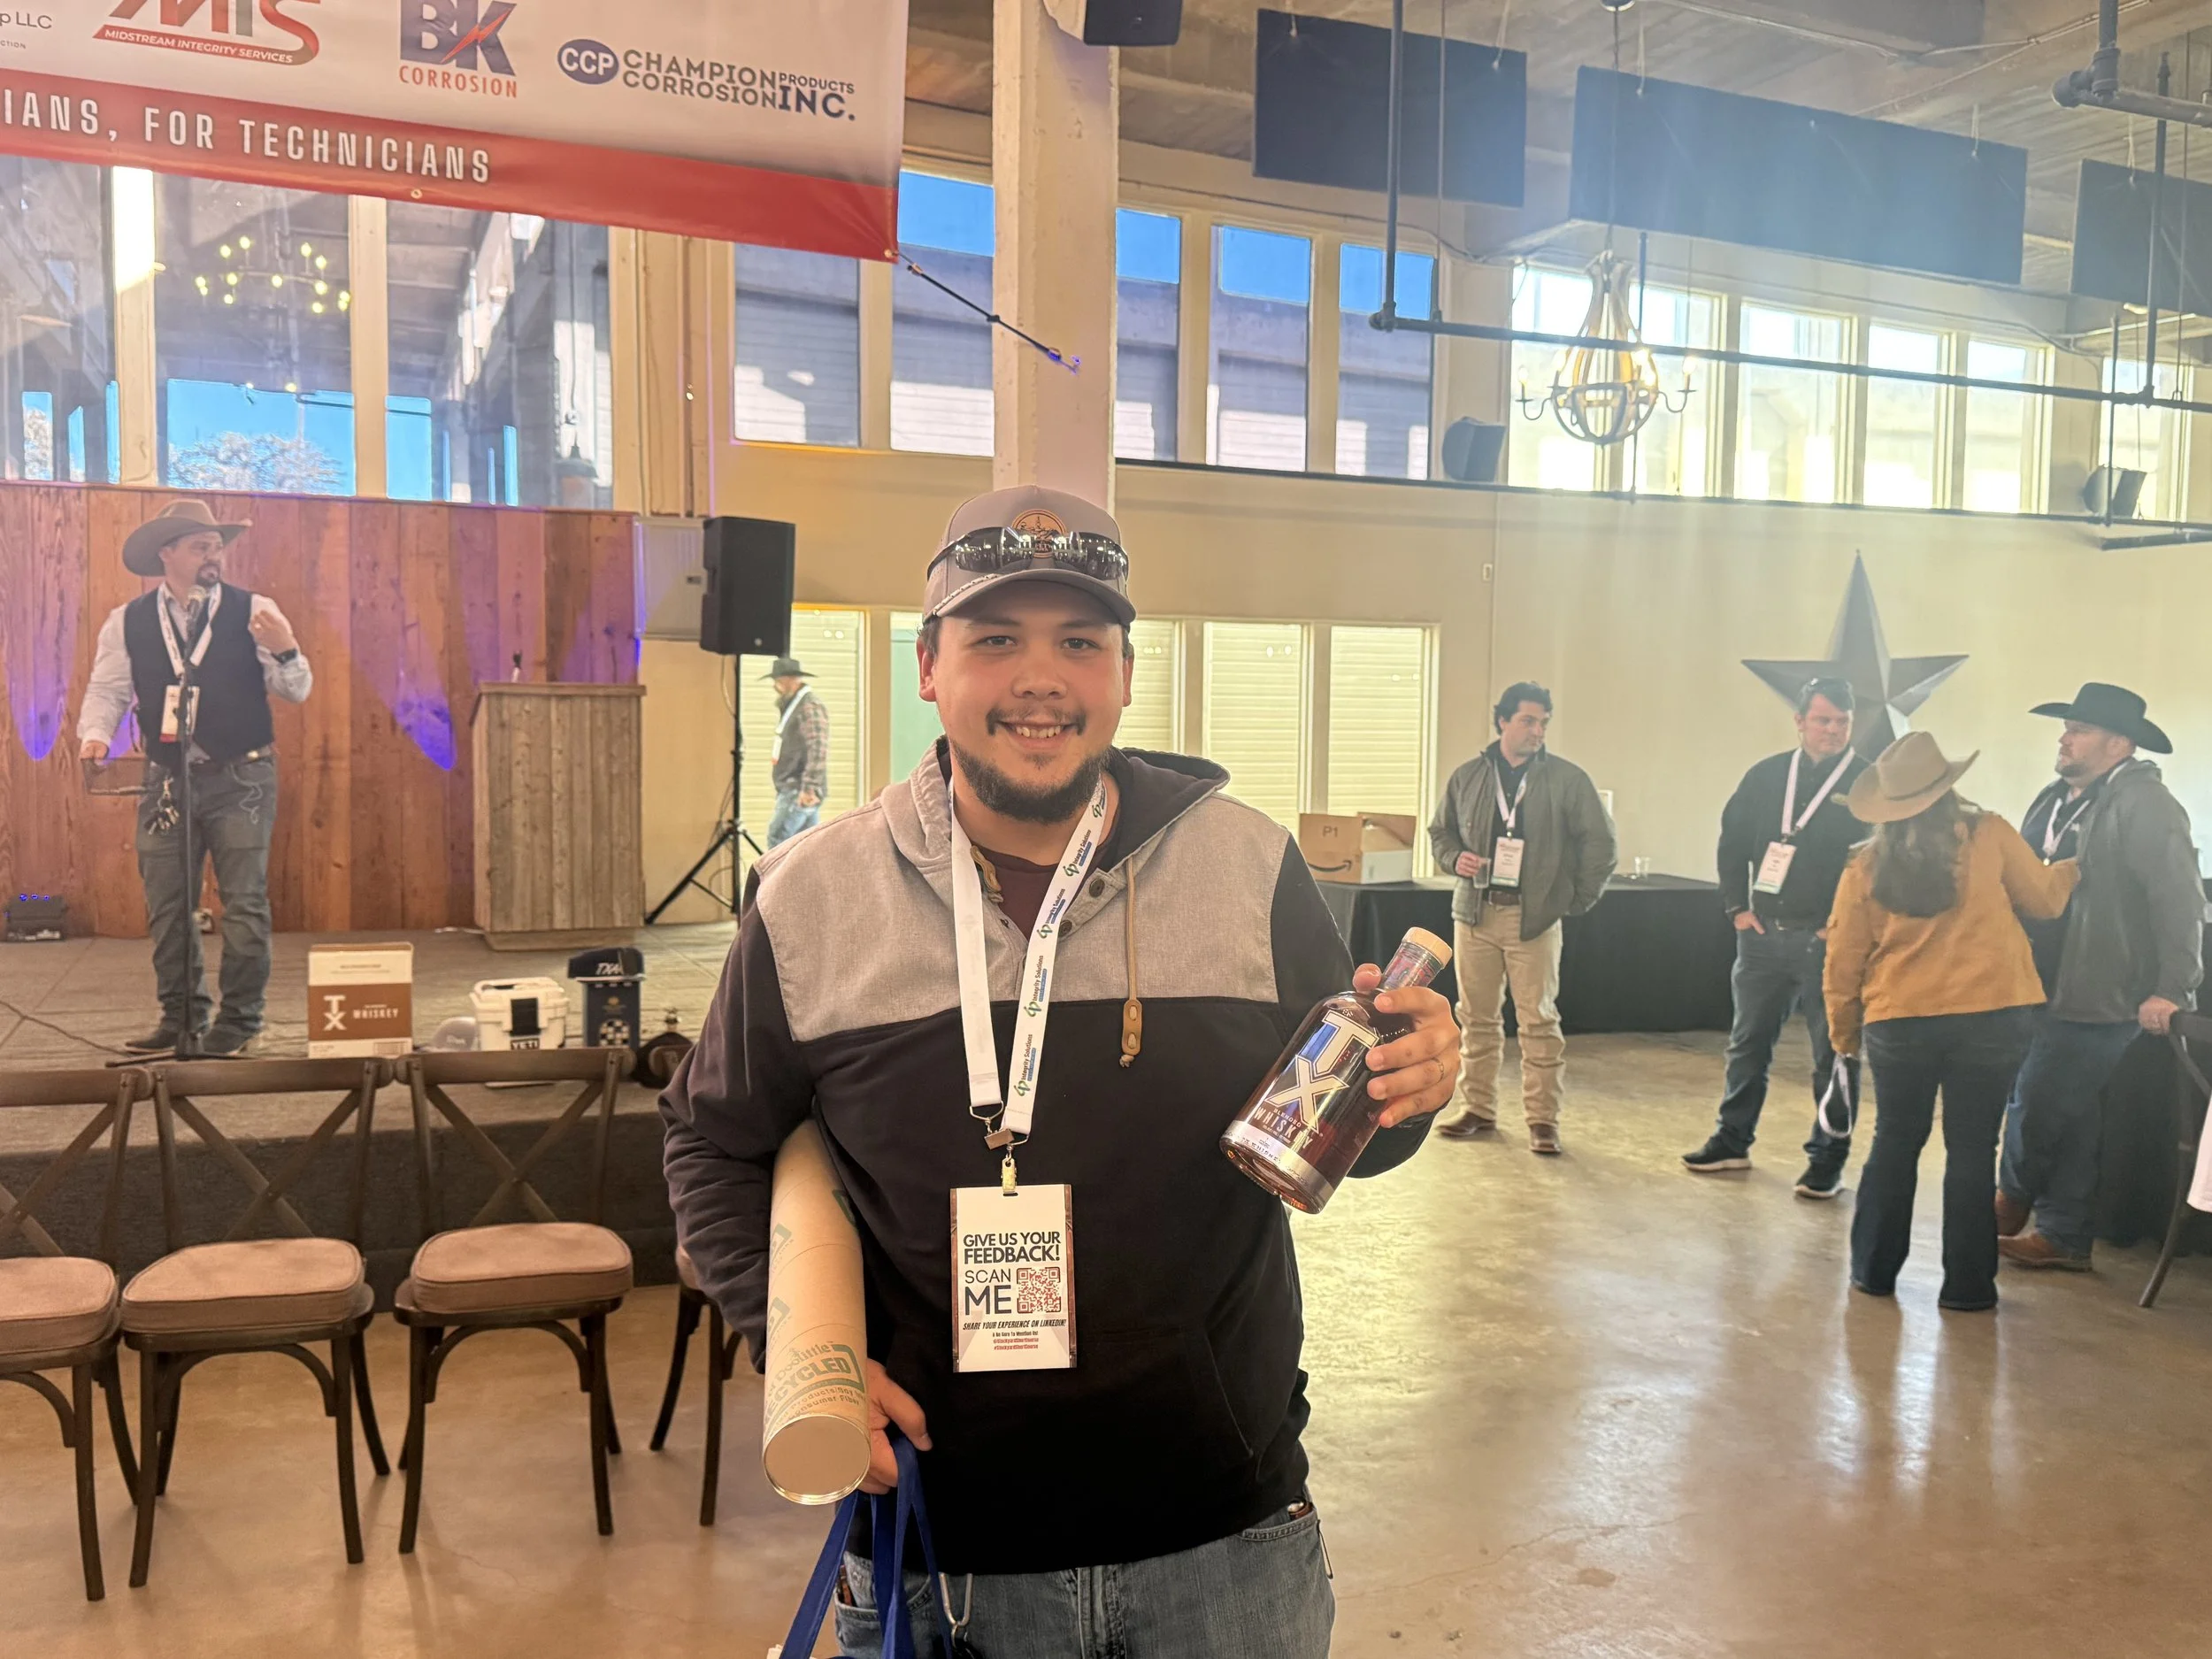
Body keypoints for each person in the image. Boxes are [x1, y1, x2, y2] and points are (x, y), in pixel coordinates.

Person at [660, 485, 1461, 1658]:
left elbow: (1345, 1125)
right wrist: (797, 1343)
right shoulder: (811, 895)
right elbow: (710, 1138)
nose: (1042, 677)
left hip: (1224, 1543)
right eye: (996, 639)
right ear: (929, 665)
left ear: (1126, 673)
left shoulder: (1251, 865)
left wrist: (1409, 1084)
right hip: (948, 1545)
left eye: (1079, 640)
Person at [1823, 733, 2077, 1312]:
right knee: (1972, 1151)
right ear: (1947, 786)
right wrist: (2071, 867)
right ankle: (1967, 1287)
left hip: (1900, 1018)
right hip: (1992, 1013)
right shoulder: (1990, 835)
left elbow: (1843, 959)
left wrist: (1844, 1034)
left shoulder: (1864, 865)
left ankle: (1873, 1273)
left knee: (1894, 1141)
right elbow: (2044, 900)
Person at [75, 498, 311, 1057]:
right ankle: (181, 1017)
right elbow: (108, 689)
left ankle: (240, 1020)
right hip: (165, 778)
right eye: (201, 546)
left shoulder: (256, 609)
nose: (215, 556)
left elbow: (296, 690)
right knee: (167, 903)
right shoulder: (127, 620)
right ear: (168, 553)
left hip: (243, 775)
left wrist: (287, 648)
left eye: (218, 547)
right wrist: (95, 735)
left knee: (245, 902)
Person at [1999, 684, 2204, 1271]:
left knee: (2036, 1101)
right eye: (2066, 727)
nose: (2065, 737)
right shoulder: (2053, 798)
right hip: (2037, 980)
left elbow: (2179, 900)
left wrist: (2175, 986)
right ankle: (2063, 1234)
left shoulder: (2147, 805)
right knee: (2073, 1111)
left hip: (2100, 989)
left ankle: (2010, 1197)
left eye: (2079, 729)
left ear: (2119, 743)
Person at [1686, 677, 1867, 1197]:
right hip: (1762, 937)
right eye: (1823, 720)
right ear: (1801, 721)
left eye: (1842, 722)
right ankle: (1732, 1139)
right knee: (1747, 1045)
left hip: (1828, 943)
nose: (1833, 730)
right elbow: (1732, 843)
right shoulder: (1767, 776)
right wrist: (1737, 907)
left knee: (1834, 1054)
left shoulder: (1868, 785)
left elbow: (1880, 865)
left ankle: (1827, 1157)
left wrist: (1847, 927)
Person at [1428, 682, 1617, 1154]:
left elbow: (1601, 845)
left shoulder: (1568, 780)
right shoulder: (1469, 776)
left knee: (1538, 1022)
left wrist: (1572, 900)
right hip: (1475, 914)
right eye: (1529, 721)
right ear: (1503, 723)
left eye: (1544, 722)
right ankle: (1478, 1110)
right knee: (1476, 1020)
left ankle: (1542, 1120)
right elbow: (1439, 833)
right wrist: (1455, 861)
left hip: (1534, 920)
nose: (1538, 731)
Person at [764, 656, 829, 848]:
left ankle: (779, 880)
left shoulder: (809, 707)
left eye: (778, 681)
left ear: (789, 680)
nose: (776, 687)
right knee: (804, 846)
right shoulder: (800, 706)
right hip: (796, 787)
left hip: (797, 788)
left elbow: (818, 749)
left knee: (778, 841)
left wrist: (809, 787)